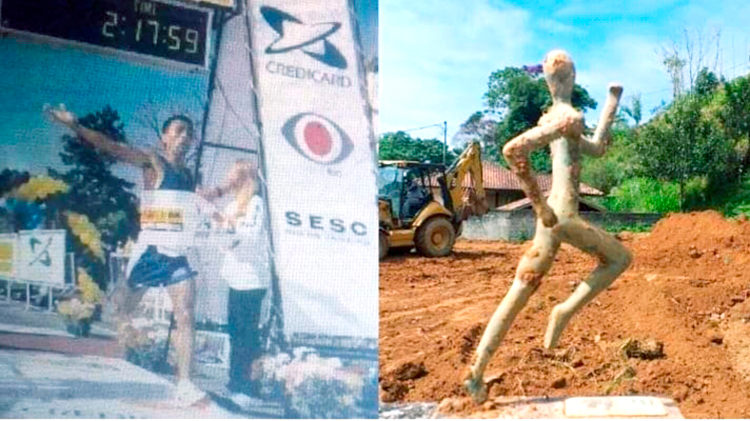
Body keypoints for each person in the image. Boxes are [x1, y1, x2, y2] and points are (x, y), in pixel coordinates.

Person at [45, 104, 208, 407]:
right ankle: (85, 307)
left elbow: (197, 205)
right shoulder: (154, 161)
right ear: (165, 138)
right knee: (120, 310)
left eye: (189, 133)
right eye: (178, 131)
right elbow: (112, 147)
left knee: (185, 314)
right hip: (150, 251)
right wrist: (75, 125)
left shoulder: (189, 174)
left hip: (176, 255)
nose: (185, 137)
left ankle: (184, 383)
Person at [199, 159, 270, 409]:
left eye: (235, 178)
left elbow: (249, 235)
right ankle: (235, 382)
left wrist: (229, 228)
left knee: (247, 336)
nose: (230, 182)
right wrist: (221, 227)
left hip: (252, 279)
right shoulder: (231, 205)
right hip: (234, 277)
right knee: (235, 332)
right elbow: (221, 240)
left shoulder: (256, 204)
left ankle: (249, 389)